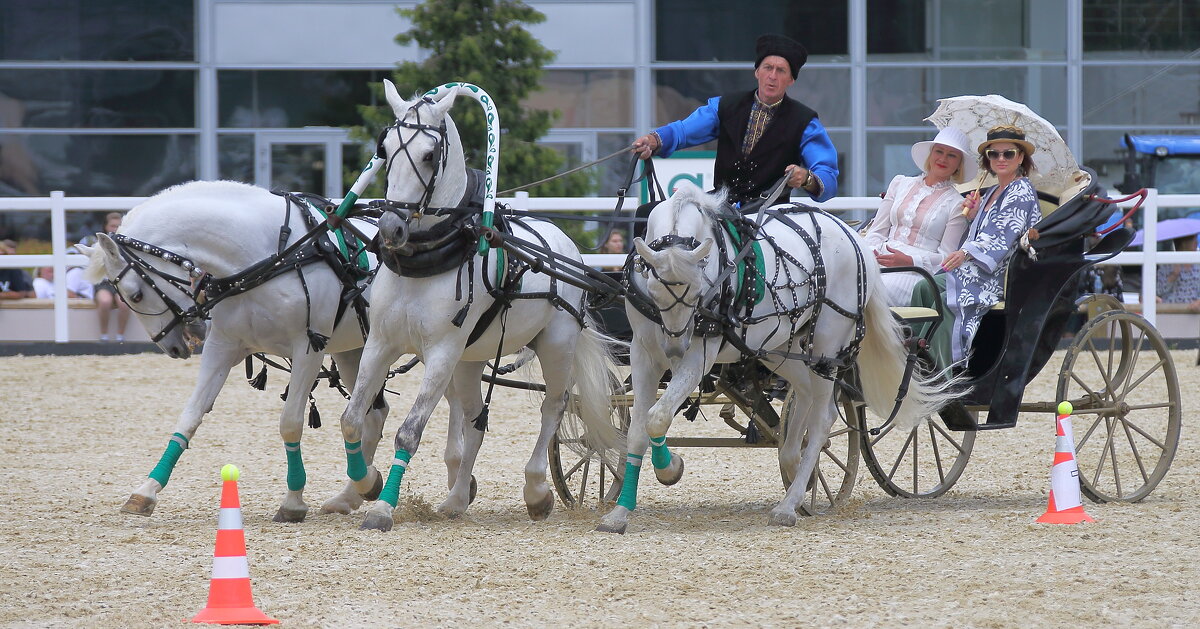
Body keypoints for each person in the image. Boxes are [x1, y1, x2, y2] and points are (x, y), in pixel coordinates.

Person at [631, 33, 839, 206]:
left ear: (791, 79)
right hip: (721, 206)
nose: (772, 76)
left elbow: (828, 176)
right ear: (757, 71)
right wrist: (654, 140)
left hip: (771, 217)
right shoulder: (724, 106)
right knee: (647, 213)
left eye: (781, 70)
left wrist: (807, 178)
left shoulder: (805, 122)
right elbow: (683, 131)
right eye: (768, 68)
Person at [911, 125, 1044, 370]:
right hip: (976, 270)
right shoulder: (993, 191)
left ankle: (941, 370)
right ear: (987, 159)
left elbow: (1003, 236)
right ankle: (915, 358)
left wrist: (966, 252)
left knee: (944, 301)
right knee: (923, 287)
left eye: (1009, 154)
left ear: (1021, 157)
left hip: (997, 274)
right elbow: (986, 230)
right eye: (994, 154)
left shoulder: (1021, 190)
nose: (1001, 159)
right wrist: (974, 215)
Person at [864, 127, 974, 305]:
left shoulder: (957, 204)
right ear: (930, 154)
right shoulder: (899, 183)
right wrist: (869, 255)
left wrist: (909, 261)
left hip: (916, 273)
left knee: (877, 292)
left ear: (959, 165)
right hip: (879, 260)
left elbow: (946, 258)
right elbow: (877, 231)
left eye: (952, 155)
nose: (943, 159)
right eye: (939, 151)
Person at [92, 212, 130, 341]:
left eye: (118, 226)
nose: (115, 229)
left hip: (121, 282)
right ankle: (104, 336)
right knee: (105, 302)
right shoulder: (97, 245)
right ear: (105, 227)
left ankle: (120, 336)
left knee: (124, 303)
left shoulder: (127, 245)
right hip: (104, 283)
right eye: (112, 225)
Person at [1155, 233, 1200, 311]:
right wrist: (1173, 276)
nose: (1196, 242)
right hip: (1171, 312)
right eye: (1193, 240)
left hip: (1195, 314)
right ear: (1183, 243)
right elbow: (1158, 291)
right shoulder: (1167, 265)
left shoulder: (1198, 263)